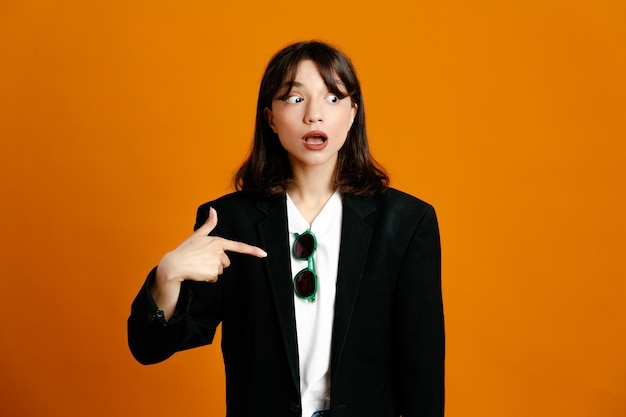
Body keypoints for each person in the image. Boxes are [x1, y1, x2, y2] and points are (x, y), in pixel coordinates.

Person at [128, 40, 444, 417]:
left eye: (333, 98)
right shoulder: (229, 222)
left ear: (353, 113)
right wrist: (167, 277)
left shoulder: (407, 222)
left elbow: (422, 371)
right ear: (270, 117)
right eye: (294, 99)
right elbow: (149, 348)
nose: (314, 115)